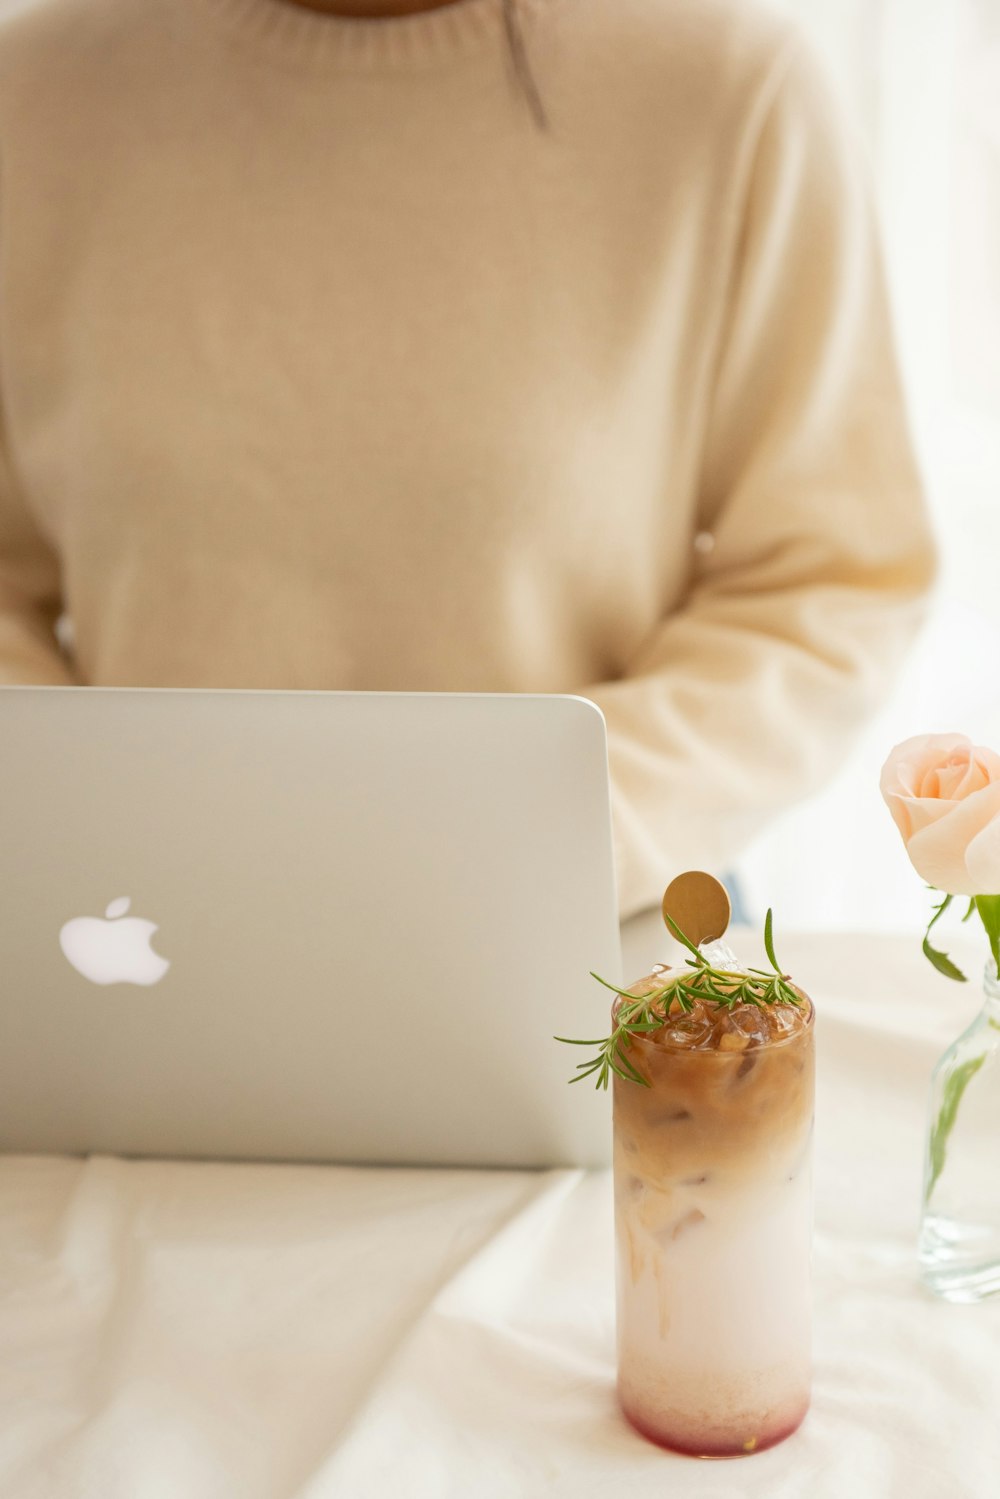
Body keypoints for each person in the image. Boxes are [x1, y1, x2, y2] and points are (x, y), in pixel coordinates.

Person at [0, 0, 936, 919]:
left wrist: (567, 823)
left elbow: (831, 578)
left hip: (588, 928)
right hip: (134, 930)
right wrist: (88, 813)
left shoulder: (731, 87)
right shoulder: (32, 93)